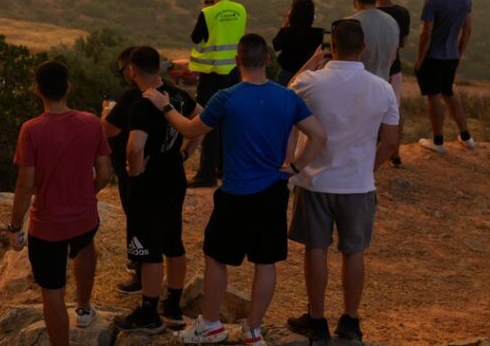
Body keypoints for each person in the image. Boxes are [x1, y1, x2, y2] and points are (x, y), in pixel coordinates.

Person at [148, 35, 327, 345]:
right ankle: (253, 330)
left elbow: (191, 130)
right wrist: (296, 168)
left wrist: (165, 107)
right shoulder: (287, 98)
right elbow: (319, 136)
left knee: (215, 256)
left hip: (235, 193)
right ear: (268, 61)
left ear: (236, 61)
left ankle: (211, 324)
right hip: (273, 190)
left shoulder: (226, 97)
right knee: (265, 262)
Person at [284, 19, 400, 342]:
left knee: (316, 249)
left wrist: (312, 61)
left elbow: (287, 93)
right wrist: (367, 168)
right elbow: (391, 143)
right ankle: (350, 321)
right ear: (363, 48)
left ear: (331, 48)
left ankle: (316, 318)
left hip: (315, 181)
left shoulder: (310, 82)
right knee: (354, 252)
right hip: (358, 185)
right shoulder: (383, 89)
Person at [8, 61, 113, 346]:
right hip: (84, 218)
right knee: (84, 247)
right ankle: (84, 307)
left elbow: (26, 185)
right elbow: (105, 172)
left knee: (52, 293)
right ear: (68, 87)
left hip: (47, 226)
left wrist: (15, 225)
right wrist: (87, 193)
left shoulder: (31, 130)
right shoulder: (91, 122)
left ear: (37, 91)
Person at [114, 46, 201, 334]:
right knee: (173, 241)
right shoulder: (176, 94)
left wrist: (135, 170)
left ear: (133, 70)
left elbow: (135, 145)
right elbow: (201, 120)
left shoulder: (141, 103)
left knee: (149, 247)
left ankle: (148, 312)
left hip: (149, 183)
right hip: (174, 177)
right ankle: (173, 304)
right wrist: (186, 153)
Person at [187, 0, 247, 188]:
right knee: (228, 121)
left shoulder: (208, 13)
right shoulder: (241, 10)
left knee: (209, 122)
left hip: (212, 75)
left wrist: (208, 7)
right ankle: (224, 168)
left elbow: (196, 38)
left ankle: (206, 173)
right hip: (234, 73)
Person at [416, 0, 475, 153]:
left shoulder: (432, 1)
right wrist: (458, 54)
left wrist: (419, 60)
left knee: (433, 96)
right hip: (451, 55)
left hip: (433, 56)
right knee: (449, 93)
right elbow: (467, 30)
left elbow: (427, 34)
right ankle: (466, 137)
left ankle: (438, 141)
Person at [99, 46, 145, 294]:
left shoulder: (130, 96)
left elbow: (108, 129)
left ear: (131, 68)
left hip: (132, 171)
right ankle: (140, 264)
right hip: (156, 170)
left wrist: (106, 111)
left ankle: (140, 273)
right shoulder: (170, 93)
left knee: (136, 220)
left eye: (122, 70)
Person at [375, 0, 411, 166]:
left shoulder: (370, 15)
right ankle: (395, 153)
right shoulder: (402, 13)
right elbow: (403, 43)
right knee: (394, 110)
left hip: (373, 68)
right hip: (394, 69)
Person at [346, 0, 400, 82]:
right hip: (382, 86)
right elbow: (393, 56)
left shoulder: (348, 25)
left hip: (356, 87)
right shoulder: (392, 22)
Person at [271, 0, 324, 87]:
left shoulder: (287, 32)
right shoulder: (319, 34)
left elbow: (276, 45)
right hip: (308, 75)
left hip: (286, 75)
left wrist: (285, 25)